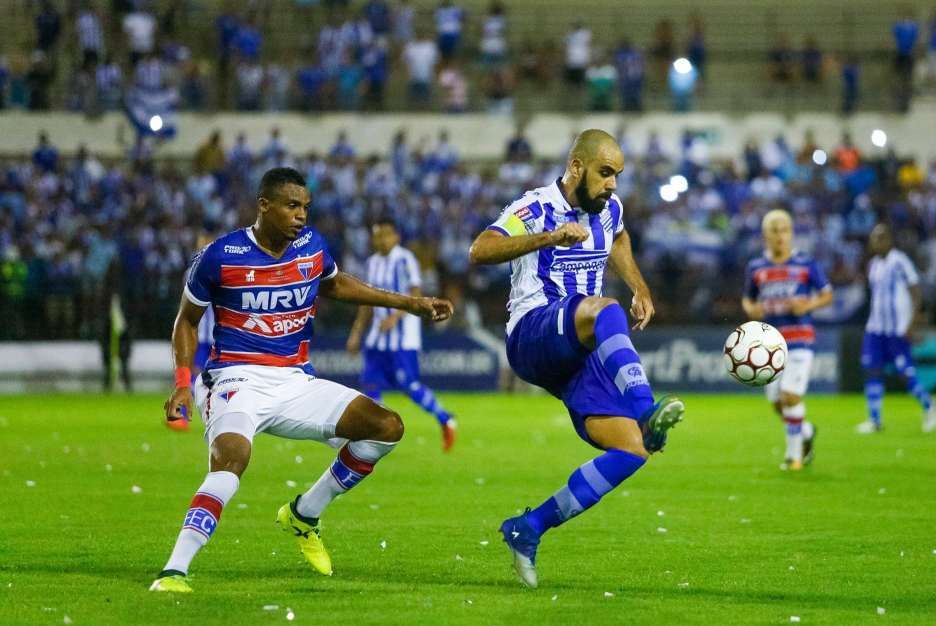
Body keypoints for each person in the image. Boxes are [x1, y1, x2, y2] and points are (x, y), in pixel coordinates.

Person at [150, 168, 454, 593]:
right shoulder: (221, 255)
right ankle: (174, 570)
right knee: (231, 461)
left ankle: (305, 513)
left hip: (295, 381)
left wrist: (410, 304)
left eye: (305, 208)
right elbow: (187, 320)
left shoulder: (311, 247)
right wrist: (183, 381)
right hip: (237, 379)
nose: (301, 216)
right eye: (292, 206)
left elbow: (336, 284)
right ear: (264, 206)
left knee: (387, 427)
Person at [468, 129, 685, 589]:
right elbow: (480, 250)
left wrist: (639, 287)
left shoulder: (611, 209)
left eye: (618, 176)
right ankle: (647, 408)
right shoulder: (535, 207)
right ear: (576, 167)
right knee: (603, 309)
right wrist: (547, 238)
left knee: (632, 449)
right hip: (533, 332)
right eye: (605, 173)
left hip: (576, 346)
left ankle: (528, 529)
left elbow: (619, 238)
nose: (612, 185)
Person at [347, 221, 457, 452]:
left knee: (408, 385)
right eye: (377, 236)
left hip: (402, 338)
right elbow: (366, 302)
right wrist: (356, 332)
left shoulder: (406, 259)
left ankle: (445, 418)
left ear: (396, 236)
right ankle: (376, 432)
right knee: (370, 385)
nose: (381, 240)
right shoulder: (372, 263)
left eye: (386, 235)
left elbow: (415, 293)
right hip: (377, 337)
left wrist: (395, 318)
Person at [741, 209, 833, 471]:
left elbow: (827, 294)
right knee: (777, 403)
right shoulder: (756, 267)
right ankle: (804, 431)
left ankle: (794, 458)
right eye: (774, 230)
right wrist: (751, 309)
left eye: (784, 230)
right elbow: (748, 297)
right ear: (765, 235)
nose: (780, 235)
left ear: (791, 233)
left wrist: (809, 305)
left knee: (791, 396)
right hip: (769, 344)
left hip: (800, 339)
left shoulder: (806, 264)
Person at [857, 223, 936, 434]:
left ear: (890, 240)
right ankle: (875, 420)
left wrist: (912, 322)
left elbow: (916, 290)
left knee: (905, 374)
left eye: (882, 237)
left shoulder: (900, 261)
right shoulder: (873, 264)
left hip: (897, 330)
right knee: (872, 370)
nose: (878, 241)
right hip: (875, 328)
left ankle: (929, 406)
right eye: (875, 238)